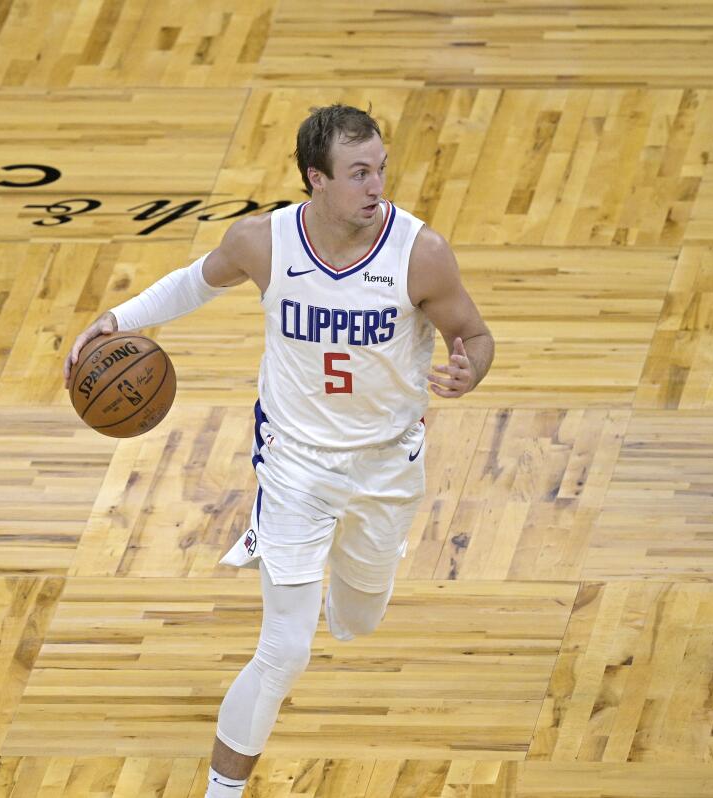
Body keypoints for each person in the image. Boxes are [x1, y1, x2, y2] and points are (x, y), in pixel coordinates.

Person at [63, 104, 494, 797]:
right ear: (315, 179)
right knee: (284, 651)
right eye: (359, 173)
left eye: (381, 168)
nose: (377, 186)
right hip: (295, 465)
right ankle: (221, 791)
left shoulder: (421, 253)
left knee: (360, 617)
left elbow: (473, 333)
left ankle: (341, 581)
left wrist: (470, 369)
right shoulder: (264, 242)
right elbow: (193, 282)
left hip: (386, 466)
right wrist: (117, 320)